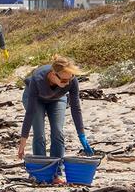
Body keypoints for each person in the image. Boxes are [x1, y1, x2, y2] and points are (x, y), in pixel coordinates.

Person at [17, 55, 93, 184]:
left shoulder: (71, 80)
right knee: (40, 134)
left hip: (57, 99)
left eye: (70, 79)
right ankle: (41, 172)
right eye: (63, 81)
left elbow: (76, 107)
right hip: (35, 99)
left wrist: (82, 136)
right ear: (53, 75)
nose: (67, 83)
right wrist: (23, 141)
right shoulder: (38, 78)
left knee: (58, 131)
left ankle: (56, 173)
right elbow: (30, 113)